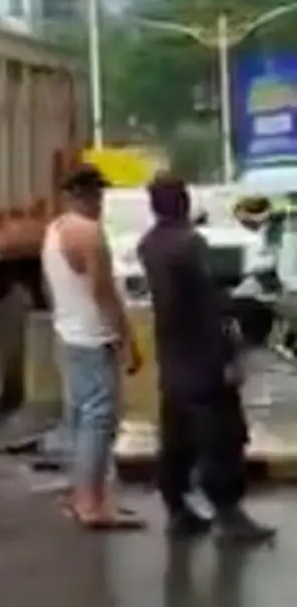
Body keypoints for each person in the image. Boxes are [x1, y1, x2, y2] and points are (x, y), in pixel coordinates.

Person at [137, 173, 276, 544]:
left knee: (177, 436)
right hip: (203, 357)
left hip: (172, 354)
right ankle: (229, 514)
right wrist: (228, 355)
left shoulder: (149, 244)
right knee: (222, 436)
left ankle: (177, 507)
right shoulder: (190, 244)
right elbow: (206, 306)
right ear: (183, 201)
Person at [42, 164, 144, 529]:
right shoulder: (88, 233)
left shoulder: (54, 231)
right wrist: (126, 339)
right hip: (93, 336)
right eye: (97, 194)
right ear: (86, 195)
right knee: (99, 419)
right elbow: (103, 292)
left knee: (82, 419)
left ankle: (82, 496)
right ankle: (91, 504)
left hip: (68, 334)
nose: (100, 202)